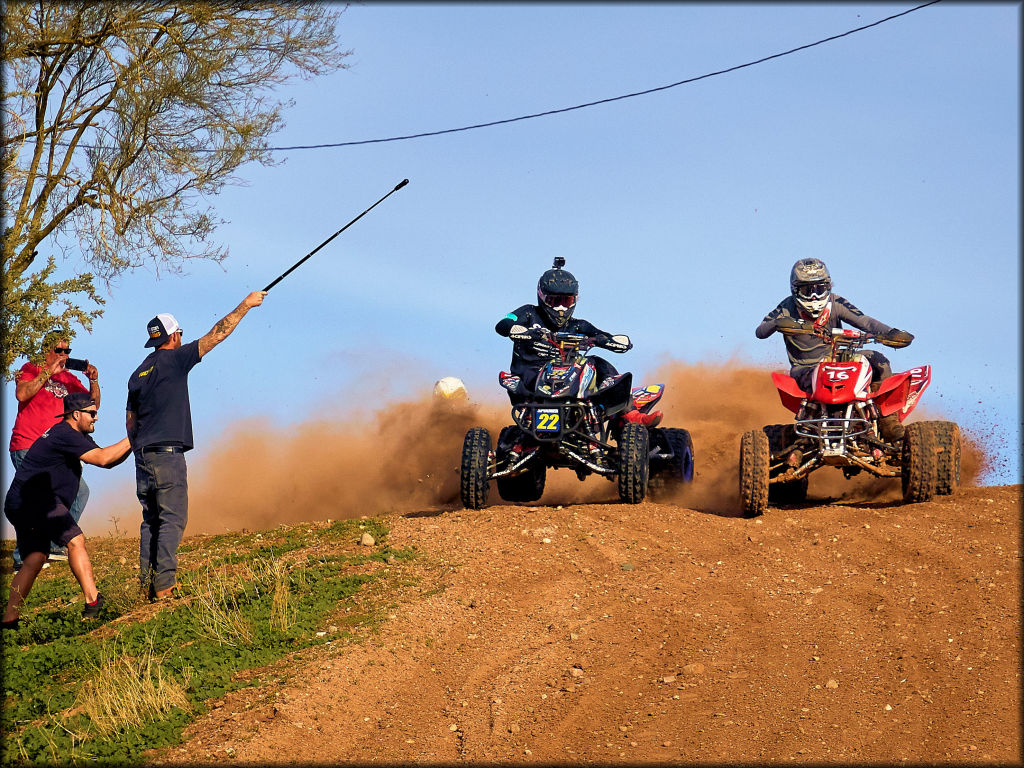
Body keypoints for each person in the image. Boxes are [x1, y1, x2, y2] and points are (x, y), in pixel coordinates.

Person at [127, 291, 266, 602]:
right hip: (167, 456)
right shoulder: (175, 360)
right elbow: (216, 335)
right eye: (179, 333)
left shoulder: (137, 374)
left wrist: (139, 450)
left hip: (142, 457)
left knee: (151, 520)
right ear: (174, 335)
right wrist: (245, 305)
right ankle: (165, 586)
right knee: (172, 518)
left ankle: (146, 586)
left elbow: (129, 422)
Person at [2, 393, 131, 631]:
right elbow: (103, 459)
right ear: (76, 414)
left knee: (35, 557)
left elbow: (108, 461)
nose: (96, 417)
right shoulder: (66, 434)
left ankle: (9, 620)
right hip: (36, 501)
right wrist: (136, 435)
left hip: (21, 502)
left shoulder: (72, 435)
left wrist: (133, 442)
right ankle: (93, 602)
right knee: (75, 540)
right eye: (92, 413)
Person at [755, 258, 914, 440]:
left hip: (839, 361)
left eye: (819, 289)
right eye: (808, 290)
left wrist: (890, 333)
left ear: (828, 287)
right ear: (795, 290)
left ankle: (888, 421)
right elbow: (760, 331)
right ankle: (804, 435)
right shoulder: (786, 307)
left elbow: (865, 321)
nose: (814, 296)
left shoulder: (835, 302)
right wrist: (779, 323)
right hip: (806, 369)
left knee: (879, 360)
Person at [494, 258, 661, 427]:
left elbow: (601, 334)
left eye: (566, 302)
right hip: (530, 375)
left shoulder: (578, 325)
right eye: (554, 301)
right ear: (542, 296)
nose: (560, 308)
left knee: (596, 362)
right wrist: (519, 330)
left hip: (570, 379)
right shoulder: (528, 313)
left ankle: (628, 414)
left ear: (574, 300)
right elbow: (504, 323)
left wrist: (609, 341)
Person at [9, 332, 100, 568]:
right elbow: (21, 394)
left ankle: (53, 546)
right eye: (58, 350)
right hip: (28, 444)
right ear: (46, 350)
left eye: (67, 351)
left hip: (57, 450)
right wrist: (49, 373)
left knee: (79, 492)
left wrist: (93, 381)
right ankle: (23, 557)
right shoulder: (30, 368)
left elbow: (92, 406)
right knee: (34, 498)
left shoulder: (71, 380)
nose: (63, 355)